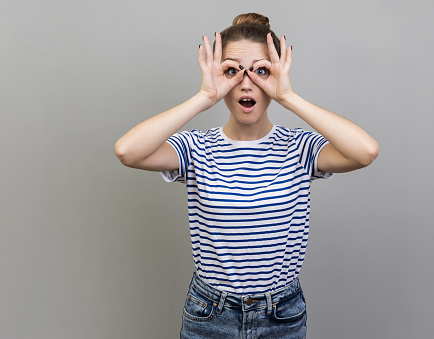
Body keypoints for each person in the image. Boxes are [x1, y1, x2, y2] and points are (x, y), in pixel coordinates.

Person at [114, 12, 379, 339]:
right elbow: (128, 150)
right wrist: (204, 98)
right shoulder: (196, 147)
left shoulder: (300, 147)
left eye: (262, 71)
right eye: (231, 71)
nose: (246, 83)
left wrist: (289, 97)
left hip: (281, 315)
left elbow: (365, 151)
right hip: (209, 314)